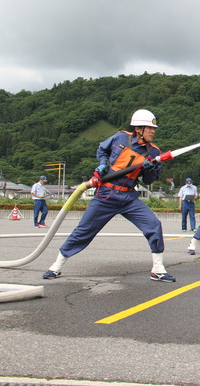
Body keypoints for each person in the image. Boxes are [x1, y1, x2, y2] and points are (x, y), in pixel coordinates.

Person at [42, 109, 175, 282]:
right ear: (138, 129)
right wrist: (103, 164)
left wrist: (149, 170)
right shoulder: (120, 138)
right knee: (84, 231)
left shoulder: (154, 152)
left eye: (153, 128)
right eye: (149, 128)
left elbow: (149, 180)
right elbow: (102, 150)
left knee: (153, 224)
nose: (153, 131)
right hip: (106, 195)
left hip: (129, 198)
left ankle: (158, 269)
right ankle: (56, 266)